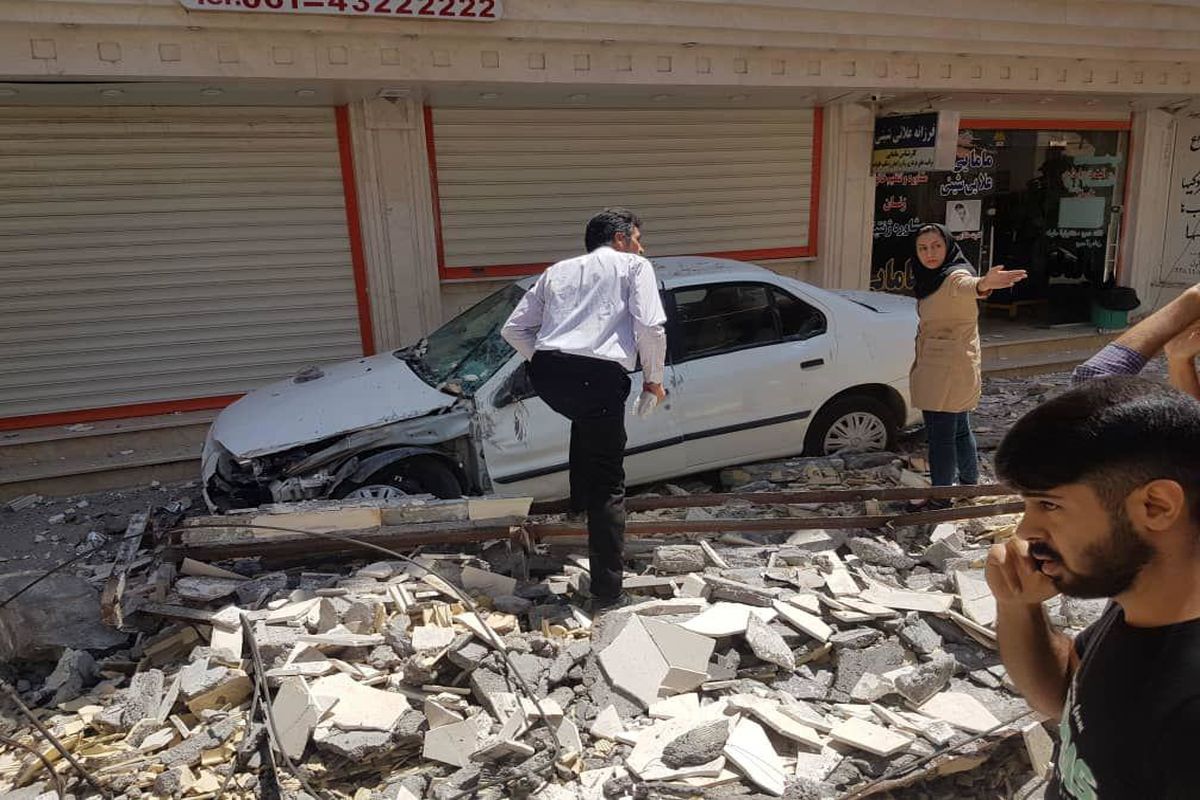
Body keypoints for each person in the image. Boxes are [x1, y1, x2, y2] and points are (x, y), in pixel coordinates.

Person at [986, 376, 1200, 799]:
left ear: (1155, 506)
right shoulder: (1138, 600)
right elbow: (1069, 696)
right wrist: (1018, 606)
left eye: (1049, 504)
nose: (1027, 530)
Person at [501, 208, 667, 612]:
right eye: (638, 238)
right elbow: (651, 327)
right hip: (598, 375)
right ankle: (608, 593)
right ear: (621, 239)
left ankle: (578, 502)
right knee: (611, 485)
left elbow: (513, 329)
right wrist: (652, 380)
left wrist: (541, 360)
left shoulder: (557, 270)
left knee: (585, 422)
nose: (642, 247)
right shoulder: (634, 266)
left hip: (548, 374)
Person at [908, 224, 1025, 505]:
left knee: (941, 436)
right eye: (923, 248)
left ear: (947, 246)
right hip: (948, 365)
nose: (930, 253)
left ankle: (941, 498)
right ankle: (969, 486)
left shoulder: (952, 276)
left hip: (947, 369)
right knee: (959, 428)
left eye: (936, 246)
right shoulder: (931, 278)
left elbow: (968, 286)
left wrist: (984, 283)